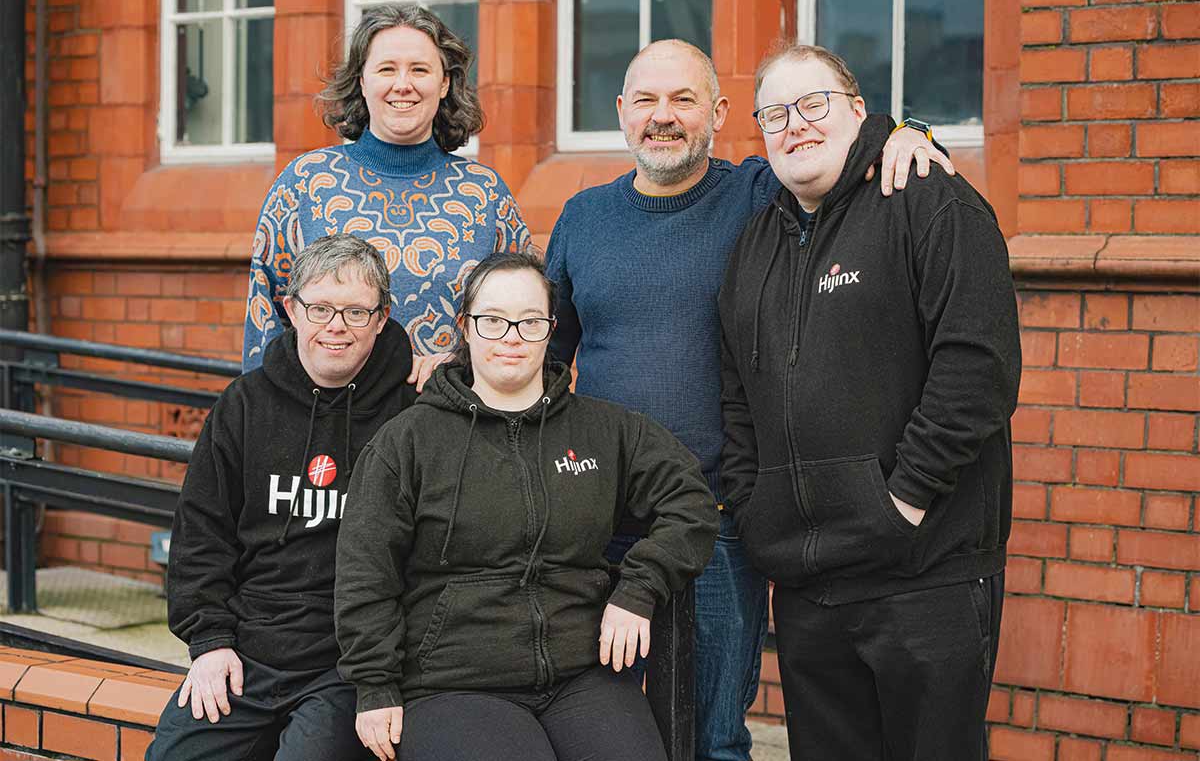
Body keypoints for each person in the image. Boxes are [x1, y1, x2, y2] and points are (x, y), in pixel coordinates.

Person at [543, 38, 955, 761]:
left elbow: (843, 150)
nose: (662, 117)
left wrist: (910, 132)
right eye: (645, 100)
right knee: (596, 727)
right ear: (621, 112)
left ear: (720, 113)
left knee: (715, 739)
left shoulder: (762, 195)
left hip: (718, 525)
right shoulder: (582, 218)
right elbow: (548, 357)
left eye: (683, 99)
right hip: (597, 525)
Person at [718, 44, 1021, 760]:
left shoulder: (929, 199)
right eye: (775, 114)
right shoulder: (756, 238)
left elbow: (978, 369)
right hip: (808, 583)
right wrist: (755, 504)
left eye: (813, 104)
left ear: (860, 111)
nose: (795, 125)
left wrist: (904, 501)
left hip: (924, 574)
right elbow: (737, 393)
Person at [334, 251, 719, 761]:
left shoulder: (606, 431)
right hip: (452, 683)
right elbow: (366, 569)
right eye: (492, 320)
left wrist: (640, 586)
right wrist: (375, 685)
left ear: (550, 329)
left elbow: (692, 501)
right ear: (465, 328)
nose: (511, 336)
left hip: (582, 675)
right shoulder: (408, 443)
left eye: (529, 321)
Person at [148, 235, 416, 761]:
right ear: (291, 309)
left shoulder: (409, 417)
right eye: (319, 308)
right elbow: (201, 534)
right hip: (247, 648)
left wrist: (381, 672)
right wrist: (209, 642)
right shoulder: (243, 407)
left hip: (347, 662)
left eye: (356, 312)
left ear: (381, 319)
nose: (336, 326)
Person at [243, 4, 531, 388]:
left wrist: (461, 359)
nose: (403, 84)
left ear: (444, 83)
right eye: (386, 69)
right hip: (332, 419)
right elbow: (266, 317)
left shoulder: (484, 192)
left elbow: (525, 313)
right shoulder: (306, 183)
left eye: (420, 69)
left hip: (452, 419)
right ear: (362, 81)